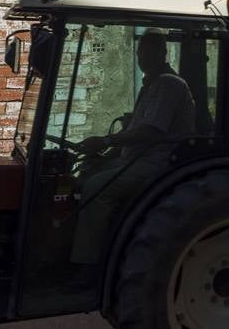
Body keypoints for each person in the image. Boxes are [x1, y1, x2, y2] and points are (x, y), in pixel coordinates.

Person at [68, 31, 195, 270]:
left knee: (97, 189)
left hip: (154, 162)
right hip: (136, 157)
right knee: (86, 173)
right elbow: (139, 129)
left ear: (162, 52)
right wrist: (105, 154)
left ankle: (87, 266)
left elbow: (150, 132)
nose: (141, 58)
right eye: (139, 53)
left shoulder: (168, 84)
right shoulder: (153, 84)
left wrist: (106, 141)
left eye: (147, 52)